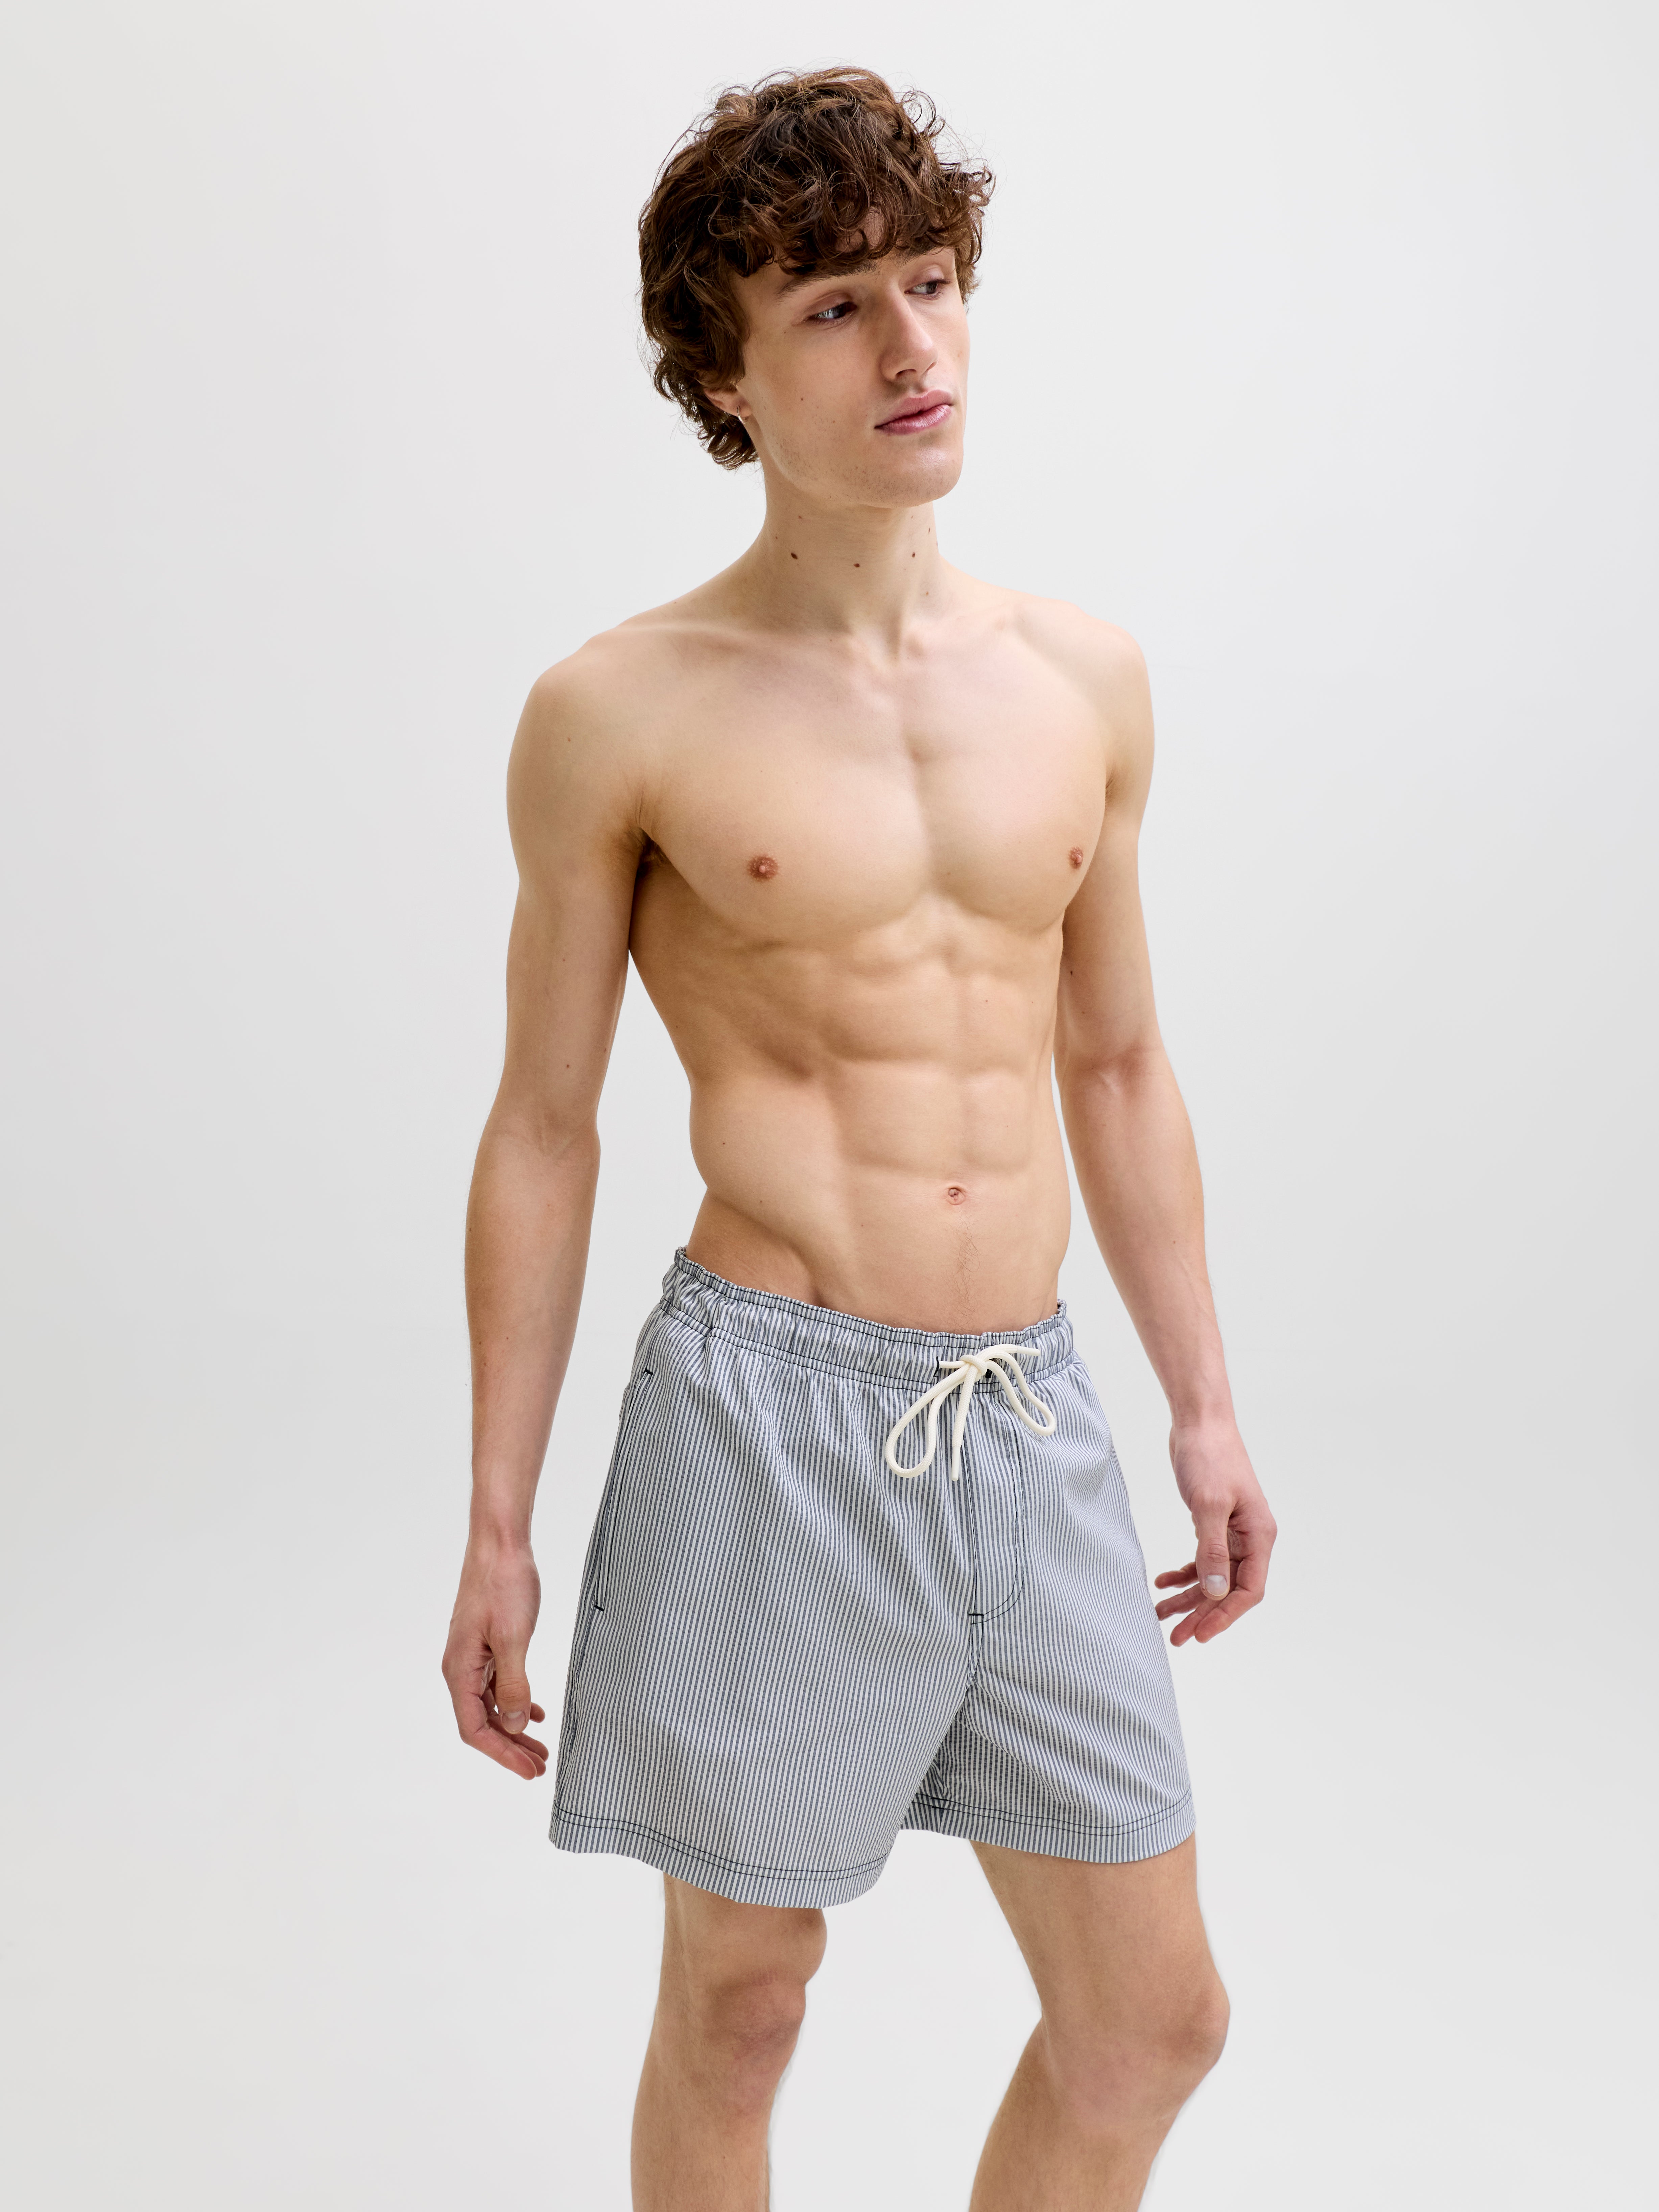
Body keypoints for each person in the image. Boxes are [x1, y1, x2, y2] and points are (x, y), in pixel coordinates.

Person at [442, 66, 1277, 2211]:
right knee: (742, 2005)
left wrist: (1200, 1404)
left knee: (1153, 2020)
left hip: (1030, 1415)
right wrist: (499, 1519)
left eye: (932, 280)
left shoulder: (1083, 679)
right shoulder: (618, 710)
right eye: (833, 305)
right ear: (724, 375)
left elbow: (1118, 1064)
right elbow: (545, 1124)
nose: (914, 343)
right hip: (767, 1416)